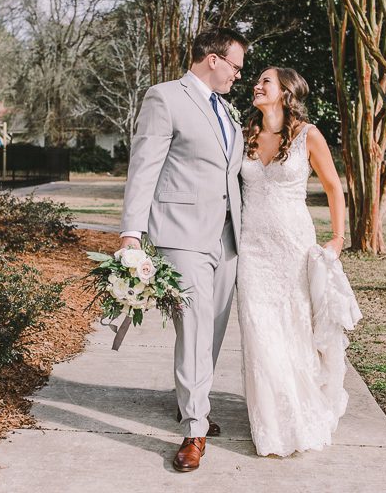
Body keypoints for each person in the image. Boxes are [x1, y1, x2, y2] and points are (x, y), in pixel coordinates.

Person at [118, 27, 248, 472]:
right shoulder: (165, 97)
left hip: (226, 238)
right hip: (181, 234)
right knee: (193, 328)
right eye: (235, 66)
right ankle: (195, 428)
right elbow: (144, 167)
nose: (237, 75)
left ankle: (192, 402)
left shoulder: (227, 111)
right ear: (213, 59)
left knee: (212, 330)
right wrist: (132, 232)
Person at [237, 66, 355, 457]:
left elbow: (334, 187)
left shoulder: (309, 135)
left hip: (292, 249)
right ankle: (271, 425)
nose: (256, 85)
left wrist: (338, 238)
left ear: (285, 92)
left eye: (265, 81)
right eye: (257, 80)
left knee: (293, 331)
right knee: (259, 333)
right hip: (252, 250)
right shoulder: (245, 134)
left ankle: (299, 413)